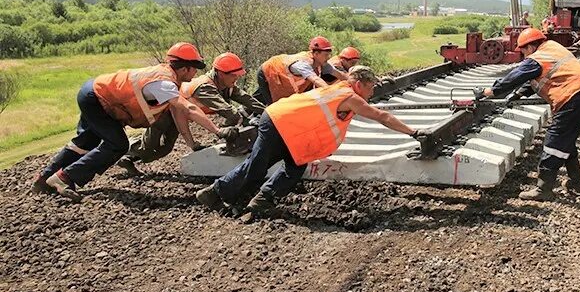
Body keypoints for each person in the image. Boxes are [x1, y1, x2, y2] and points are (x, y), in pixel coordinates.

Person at [196, 66, 428, 213]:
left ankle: (262, 200)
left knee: (294, 168)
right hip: (278, 122)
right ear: (359, 84)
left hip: (290, 129)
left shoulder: (338, 89)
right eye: (370, 88)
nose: (372, 93)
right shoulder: (350, 96)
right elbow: (382, 116)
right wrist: (413, 133)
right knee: (257, 166)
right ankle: (214, 192)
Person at [32, 42, 232, 201]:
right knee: (117, 145)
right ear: (184, 69)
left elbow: (180, 115)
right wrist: (218, 131)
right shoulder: (163, 84)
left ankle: (43, 181)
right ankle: (64, 178)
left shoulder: (168, 80)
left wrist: (193, 144)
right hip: (97, 99)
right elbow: (188, 108)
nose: (195, 73)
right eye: (194, 68)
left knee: (84, 143)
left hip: (94, 92)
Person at [476, 28, 580, 201]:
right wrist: (519, 94)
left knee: (554, 139)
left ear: (530, 47)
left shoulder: (536, 58)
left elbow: (514, 77)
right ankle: (576, 183)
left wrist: (488, 92)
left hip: (574, 95)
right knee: (566, 138)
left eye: (523, 51)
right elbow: (542, 76)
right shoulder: (553, 48)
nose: (524, 55)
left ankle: (544, 189)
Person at [116, 52, 266, 177]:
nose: (237, 79)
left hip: (180, 115)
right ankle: (122, 147)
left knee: (164, 149)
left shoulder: (226, 85)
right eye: (234, 75)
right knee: (150, 146)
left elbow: (248, 100)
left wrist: (268, 113)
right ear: (220, 74)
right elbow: (229, 112)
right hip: (165, 113)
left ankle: (128, 157)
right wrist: (244, 123)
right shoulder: (204, 88)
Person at [253, 36, 348, 105]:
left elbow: (340, 75)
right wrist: (332, 94)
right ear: (316, 54)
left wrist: (353, 85)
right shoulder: (304, 64)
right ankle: (256, 122)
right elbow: (316, 80)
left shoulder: (322, 63)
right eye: (326, 55)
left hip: (280, 79)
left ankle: (248, 112)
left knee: (262, 100)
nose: (328, 57)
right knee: (274, 107)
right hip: (269, 73)